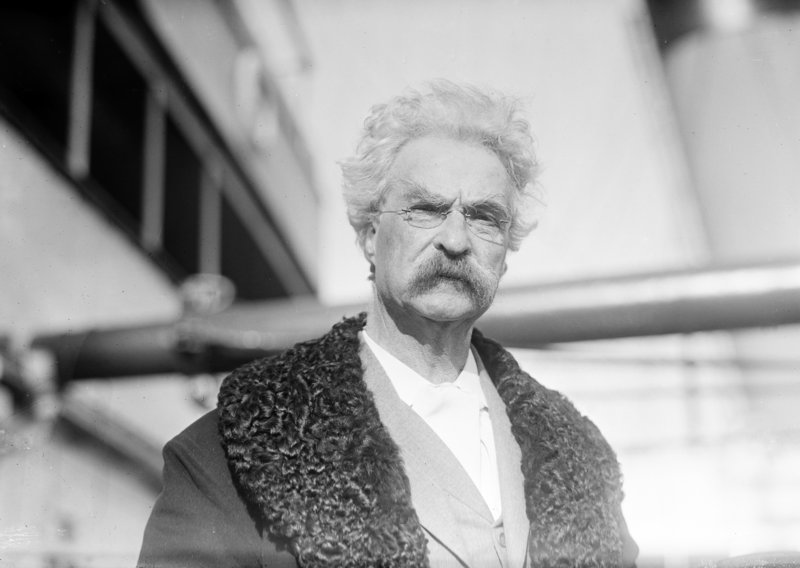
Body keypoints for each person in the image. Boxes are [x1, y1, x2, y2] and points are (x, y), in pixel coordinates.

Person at [137, 80, 638, 568]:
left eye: (485, 217)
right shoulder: (234, 451)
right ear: (370, 235)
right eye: (426, 210)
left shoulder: (580, 459)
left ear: (506, 254)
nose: (456, 241)